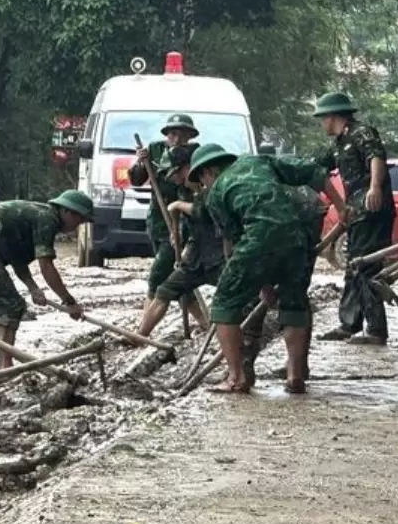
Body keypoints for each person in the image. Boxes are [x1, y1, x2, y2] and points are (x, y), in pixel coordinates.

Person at [189, 144, 344, 394]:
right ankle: (295, 375)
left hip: (257, 239)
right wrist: (343, 208)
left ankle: (236, 377)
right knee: (294, 302)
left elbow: (233, 244)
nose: (203, 184)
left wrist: (251, 279)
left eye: (201, 179)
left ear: (208, 171)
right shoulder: (259, 161)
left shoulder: (215, 193)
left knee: (224, 304)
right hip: (296, 236)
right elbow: (314, 171)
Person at [0, 190, 94, 372]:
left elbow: (18, 260)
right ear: (67, 212)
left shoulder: (36, 216)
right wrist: (69, 301)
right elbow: (47, 266)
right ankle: (5, 367)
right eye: (79, 220)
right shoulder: (47, 219)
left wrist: (33, 288)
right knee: (11, 306)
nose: (77, 226)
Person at [313, 92, 396, 346]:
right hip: (355, 213)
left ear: (332, 116)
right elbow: (317, 167)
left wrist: (375, 187)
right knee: (353, 267)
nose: (321, 124)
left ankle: (376, 329)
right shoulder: (338, 143)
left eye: (322, 118)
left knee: (367, 266)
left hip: (372, 209)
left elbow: (376, 159)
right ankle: (349, 323)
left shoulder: (362, 132)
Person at [239, 179, 329, 388]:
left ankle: (245, 370)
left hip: (294, 213)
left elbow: (251, 250)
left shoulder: (231, 195)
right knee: (295, 291)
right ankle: (296, 371)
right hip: (310, 207)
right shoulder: (247, 181)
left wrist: (264, 285)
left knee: (252, 294)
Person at [129, 114, 202, 319]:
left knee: (159, 275)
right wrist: (141, 164)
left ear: (190, 136)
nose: (177, 139)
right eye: (172, 134)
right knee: (176, 276)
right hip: (158, 218)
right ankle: (203, 322)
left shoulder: (195, 153)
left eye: (182, 134)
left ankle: (144, 328)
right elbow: (136, 179)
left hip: (183, 219)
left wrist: (179, 230)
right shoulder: (154, 150)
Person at [143, 146, 220, 337]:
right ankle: (140, 336)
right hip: (196, 257)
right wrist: (181, 240)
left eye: (176, 173)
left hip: (220, 257)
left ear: (187, 168)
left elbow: (204, 212)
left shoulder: (211, 185)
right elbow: (190, 227)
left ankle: (225, 336)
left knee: (232, 298)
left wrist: (178, 206)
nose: (175, 179)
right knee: (165, 290)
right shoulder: (186, 191)